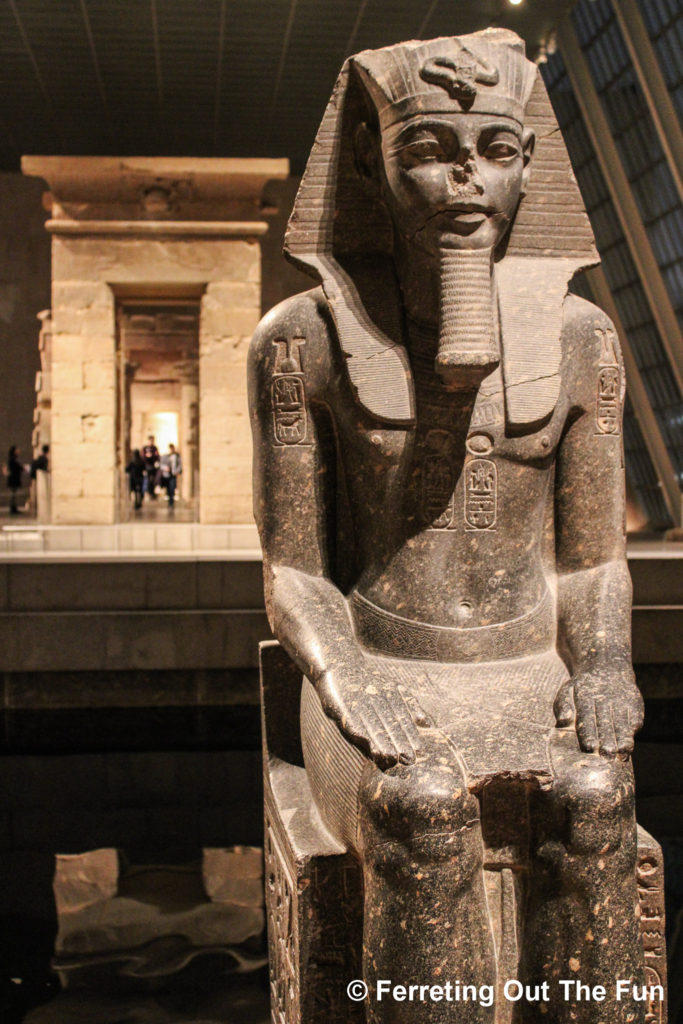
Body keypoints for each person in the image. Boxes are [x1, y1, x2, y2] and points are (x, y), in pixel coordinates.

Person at [249, 29, 647, 1024]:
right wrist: (345, 678)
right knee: (423, 809)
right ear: (371, 166)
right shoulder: (301, 343)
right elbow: (295, 574)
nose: (464, 181)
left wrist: (600, 663)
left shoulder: (578, 340)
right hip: (380, 668)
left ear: (526, 169)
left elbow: (593, 560)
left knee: (595, 794)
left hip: (524, 669)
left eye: (494, 151)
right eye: (428, 151)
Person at [159, 443, 182, 508]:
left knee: (172, 487)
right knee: (168, 487)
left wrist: (178, 471)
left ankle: (171, 501)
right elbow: (161, 465)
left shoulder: (177, 456)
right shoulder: (165, 456)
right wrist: (165, 468)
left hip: (173, 474)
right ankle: (169, 499)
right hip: (166, 475)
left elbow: (179, 464)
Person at [6, 445, 23, 514]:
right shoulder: (12, 459)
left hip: (14, 478)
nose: (19, 451)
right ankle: (13, 508)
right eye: (17, 450)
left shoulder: (14, 459)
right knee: (13, 494)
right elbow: (15, 468)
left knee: (14, 494)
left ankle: (14, 507)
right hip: (13, 479)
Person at [141, 434, 160, 500]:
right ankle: (147, 493)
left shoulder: (154, 448)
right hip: (146, 467)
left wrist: (152, 456)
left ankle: (152, 493)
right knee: (147, 480)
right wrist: (147, 456)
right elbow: (142, 457)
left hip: (153, 467)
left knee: (153, 480)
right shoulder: (145, 448)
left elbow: (157, 456)